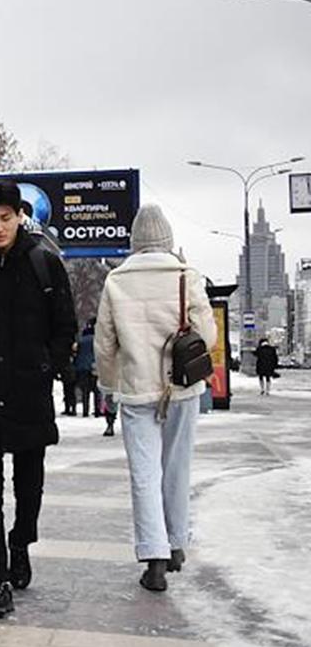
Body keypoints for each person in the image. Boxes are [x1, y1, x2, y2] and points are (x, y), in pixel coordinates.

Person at [0, 181, 77, 620]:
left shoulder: (44, 264)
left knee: (28, 486)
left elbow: (66, 326)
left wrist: (48, 365)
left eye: (6, 218)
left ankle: (21, 540)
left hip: (29, 393)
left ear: (20, 216)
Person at [95, 204, 216, 592]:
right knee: (177, 466)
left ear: (134, 242)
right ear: (167, 240)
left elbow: (104, 344)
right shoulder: (186, 276)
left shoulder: (116, 281)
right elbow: (208, 337)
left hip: (136, 391)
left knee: (144, 474)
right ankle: (177, 543)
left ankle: (155, 559)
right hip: (181, 389)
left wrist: (112, 385)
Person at [74, 318, 98, 416]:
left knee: (85, 391)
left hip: (82, 367)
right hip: (95, 367)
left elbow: (76, 353)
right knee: (97, 391)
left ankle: (85, 410)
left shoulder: (81, 341)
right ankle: (97, 410)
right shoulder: (97, 340)